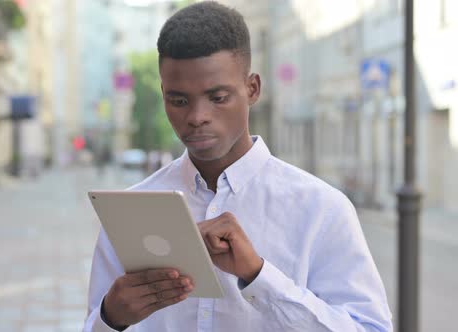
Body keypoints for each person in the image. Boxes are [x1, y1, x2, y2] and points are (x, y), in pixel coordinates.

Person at [84, 2, 392, 331]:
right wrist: (109, 318)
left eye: (217, 97)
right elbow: (94, 324)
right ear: (163, 95)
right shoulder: (131, 212)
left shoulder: (321, 209)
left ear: (252, 88)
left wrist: (259, 275)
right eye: (179, 100)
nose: (197, 116)